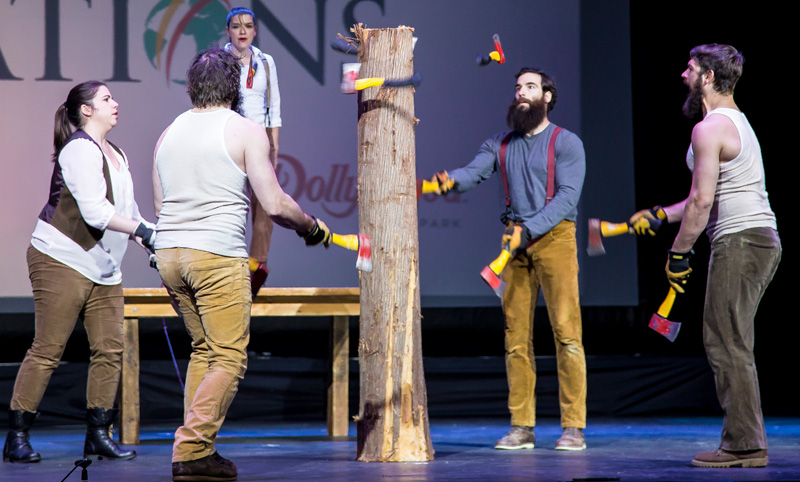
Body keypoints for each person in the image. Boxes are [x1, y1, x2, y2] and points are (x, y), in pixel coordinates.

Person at [153, 47, 331, 482]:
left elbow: (160, 206)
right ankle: (191, 449)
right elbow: (274, 204)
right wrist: (310, 226)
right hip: (215, 256)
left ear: (192, 87)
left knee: (205, 350)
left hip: (170, 255)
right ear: (235, 88)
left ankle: (200, 450)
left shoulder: (168, 133)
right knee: (229, 357)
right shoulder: (246, 130)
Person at [629, 44, 780, 468]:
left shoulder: (708, 128)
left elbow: (702, 202)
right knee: (732, 339)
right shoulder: (735, 122)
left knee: (726, 341)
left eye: (691, 68)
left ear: (708, 77)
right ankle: (746, 441)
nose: (684, 74)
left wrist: (678, 253)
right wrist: (662, 214)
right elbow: (704, 196)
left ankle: (744, 445)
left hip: (741, 241)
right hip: (754, 240)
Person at [427, 67, 587, 451]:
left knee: (567, 334)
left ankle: (573, 427)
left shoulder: (566, 142)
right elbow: (473, 172)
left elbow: (567, 197)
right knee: (515, 338)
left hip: (555, 238)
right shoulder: (499, 144)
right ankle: (522, 426)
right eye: (517, 87)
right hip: (514, 243)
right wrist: (449, 180)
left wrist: (529, 229)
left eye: (530, 87)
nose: (521, 93)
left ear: (547, 96)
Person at [3, 81, 154, 463]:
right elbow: (96, 212)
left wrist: (150, 237)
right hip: (61, 258)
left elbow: (128, 211)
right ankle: (17, 436)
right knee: (48, 349)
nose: (115, 103)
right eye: (106, 99)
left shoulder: (116, 152)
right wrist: (142, 231)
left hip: (103, 267)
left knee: (110, 348)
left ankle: (98, 434)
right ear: (86, 110)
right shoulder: (79, 150)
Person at [223, 6, 282, 295]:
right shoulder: (219, 61)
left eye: (248, 26)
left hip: (259, 139)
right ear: (228, 31)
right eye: (236, 26)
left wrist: (274, 145)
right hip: (230, 137)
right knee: (230, 201)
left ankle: (256, 264)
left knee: (266, 203)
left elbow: (274, 106)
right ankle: (226, 263)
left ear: (255, 31)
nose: (242, 31)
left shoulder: (266, 62)